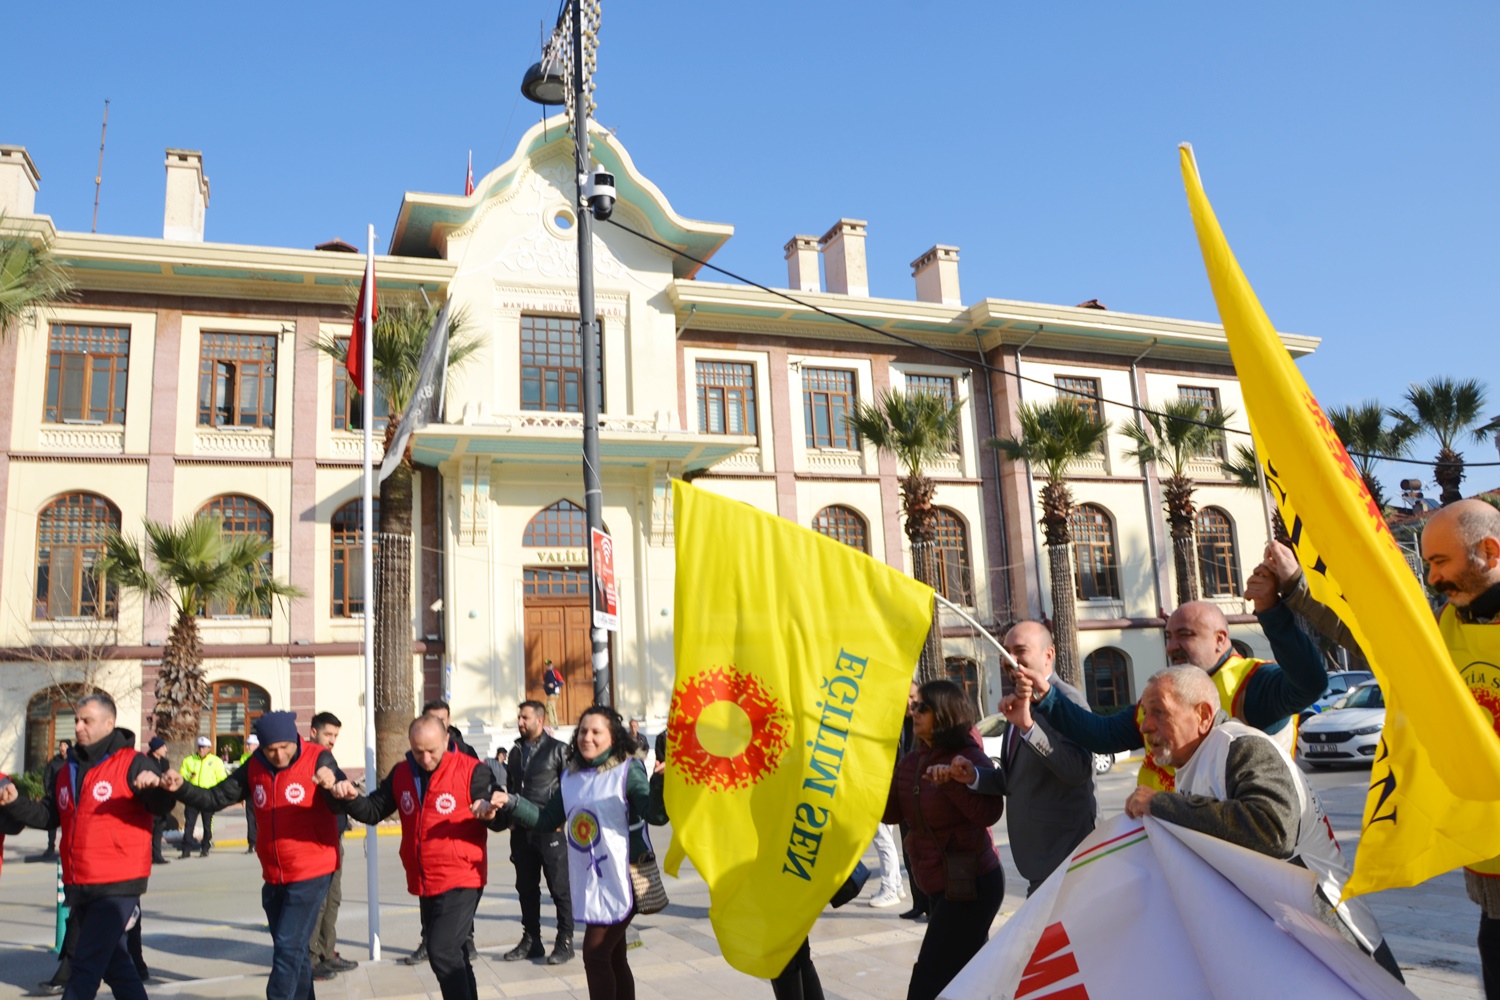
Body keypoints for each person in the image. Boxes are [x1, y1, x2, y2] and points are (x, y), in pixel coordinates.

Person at [1122, 666, 1402, 980]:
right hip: (1294, 945)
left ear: (1203, 715)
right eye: (1145, 714)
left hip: (1335, 940)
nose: (1145, 726)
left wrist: (1161, 804)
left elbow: (1273, 830)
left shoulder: (1239, 746)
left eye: (1159, 712)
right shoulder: (1196, 760)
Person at [1023, 590, 1325, 792]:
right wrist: (1047, 697)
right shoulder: (1167, 689)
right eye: (1168, 636)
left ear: (1221, 639)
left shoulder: (1254, 683)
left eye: (1185, 635)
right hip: (1174, 843)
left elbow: (1310, 683)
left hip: (1236, 853)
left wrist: (1272, 612)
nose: (1172, 647)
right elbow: (1102, 735)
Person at [152, 710, 351, 1000]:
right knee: (292, 952)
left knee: (287, 949)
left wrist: (335, 785)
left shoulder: (318, 758)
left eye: (285, 748)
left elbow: (339, 792)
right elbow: (215, 797)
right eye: (271, 750)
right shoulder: (255, 766)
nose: (279, 755)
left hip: (312, 871)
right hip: (274, 875)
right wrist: (181, 788)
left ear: (295, 740)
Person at [0, 692, 174, 1000]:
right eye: (77, 720)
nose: (78, 727)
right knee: (116, 966)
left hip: (117, 883)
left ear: (109, 723)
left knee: (84, 966)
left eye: (87, 721)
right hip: (80, 881)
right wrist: (15, 802)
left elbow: (158, 805)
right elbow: (49, 815)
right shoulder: (67, 768)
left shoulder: (133, 763)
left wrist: (161, 788)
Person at [495, 706, 668, 1000]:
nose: (587, 738)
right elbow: (547, 820)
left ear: (613, 737)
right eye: (583, 731)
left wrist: (661, 781)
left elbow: (656, 815)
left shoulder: (627, 769)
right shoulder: (571, 777)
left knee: (595, 954)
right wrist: (512, 802)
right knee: (614, 957)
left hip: (625, 877)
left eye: (596, 732)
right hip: (593, 880)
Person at [336, 716, 503, 1000]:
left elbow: (499, 816)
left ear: (447, 740)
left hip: (462, 877)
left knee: (441, 951)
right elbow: (373, 811)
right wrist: (349, 797)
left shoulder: (472, 770)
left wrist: (491, 814)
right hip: (426, 879)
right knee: (456, 952)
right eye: (418, 751)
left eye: (432, 751)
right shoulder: (402, 773)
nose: (425, 758)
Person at [926, 621, 1096, 896]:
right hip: (1039, 859)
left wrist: (1029, 727)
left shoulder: (1068, 700)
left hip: (1067, 856)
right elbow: (1013, 779)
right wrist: (973, 776)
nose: (1009, 659)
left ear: (1048, 655)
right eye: (1005, 651)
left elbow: (1077, 771)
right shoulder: (1019, 702)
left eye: (1020, 650)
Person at [1420, 499, 1500, 998]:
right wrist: (1294, 594)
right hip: (1488, 865)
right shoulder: (1446, 624)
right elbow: (1375, 639)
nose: (1432, 578)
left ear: (1489, 551)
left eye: (1440, 562)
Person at [883, 680, 1005, 1000]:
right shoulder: (911, 761)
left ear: (945, 713)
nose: (914, 711)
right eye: (914, 706)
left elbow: (989, 812)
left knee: (928, 978)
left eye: (922, 707)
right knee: (967, 977)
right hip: (938, 883)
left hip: (972, 884)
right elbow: (891, 813)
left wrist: (952, 782)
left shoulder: (968, 757)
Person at [504, 699, 574, 965]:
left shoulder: (559, 750)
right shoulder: (515, 752)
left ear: (540, 720)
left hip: (549, 830)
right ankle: (531, 940)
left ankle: (565, 940)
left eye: (525, 717)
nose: (520, 722)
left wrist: (560, 819)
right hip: (521, 833)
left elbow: (570, 788)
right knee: (526, 888)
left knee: (559, 889)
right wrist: (510, 818)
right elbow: (512, 787)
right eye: (519, 717)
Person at [307, 712, 358, 981]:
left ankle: (327, 953)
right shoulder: (307, 759)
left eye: (336, 735)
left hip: (334, 840)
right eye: (328, 734)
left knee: (332, 899)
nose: (332, 740)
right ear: (313, 732)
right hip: (315, 842)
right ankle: (311, 959)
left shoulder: (328, 759)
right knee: (317, 903)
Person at [896, 682, 931, 922]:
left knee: (925, 855)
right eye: (904, 698)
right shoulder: (897, 726)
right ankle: (918, 902)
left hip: (923, 801)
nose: (909, 703)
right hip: (904, 801)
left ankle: (931, 903)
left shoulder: (926, 726)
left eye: (912, 697)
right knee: (909, 855)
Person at [179, 735, 228, 857]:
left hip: (208, 796)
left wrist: (217, 794)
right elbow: (181, 776)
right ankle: (186, 850)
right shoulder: (189, 760)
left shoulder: (216, 761)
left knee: (207, 823)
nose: (201, 749)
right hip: (192, 795)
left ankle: (205, 847)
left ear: (209, 748)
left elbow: (222, 779)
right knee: (189, 824)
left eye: (204, 747)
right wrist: (188, 776)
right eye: (200, 747)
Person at [41, 739, 71, 858]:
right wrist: (48, 791)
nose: (62, 747)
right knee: (52, 823)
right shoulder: (54, 762)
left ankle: (68, 846)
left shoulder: (73, 761)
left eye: (64, 745)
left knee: (68, 823)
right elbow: (46, 778)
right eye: (60, 745)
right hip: (54, 796)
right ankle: (50, 847)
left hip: (68, 798)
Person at [146, 737, 172, 865]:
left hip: (162, 800)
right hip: (150, 800)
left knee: (159, 830)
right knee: (148, 831)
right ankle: (145, 856)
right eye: (163, 747)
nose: (166, 749)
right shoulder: (147, 761)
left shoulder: (165, 762)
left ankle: (157, 856)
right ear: (156, 749)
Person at [241, 734, 261, 853]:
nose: (247, 747)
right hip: (250, 791)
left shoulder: (263, 757)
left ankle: (263, 842)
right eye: (247, 744)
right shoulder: (244, 757)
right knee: (250, 818)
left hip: (261, 790)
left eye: (249, 744)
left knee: (262, 819)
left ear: (256, 745)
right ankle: (252, 843)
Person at [542, 660, 563, 727]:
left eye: (549, 665)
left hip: (554, 694)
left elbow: (561, 682)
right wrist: (545, 687)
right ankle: (554, 724)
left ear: (552, 665)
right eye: (547, 665)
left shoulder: (555, 672)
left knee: (550, 707)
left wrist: (554, 685)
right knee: (550, 708)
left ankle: (552, 724)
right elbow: (545, 683)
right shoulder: (545, 675)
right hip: (549, 694)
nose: (548, 666)